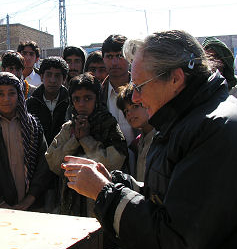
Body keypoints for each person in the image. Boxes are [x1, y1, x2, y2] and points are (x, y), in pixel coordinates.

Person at [63, 30, 237, 249]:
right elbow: (179, 197)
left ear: (175, 79)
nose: (135, 97)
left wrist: (103, 192)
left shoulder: (215, 129)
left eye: (140, 86)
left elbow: (174, 239)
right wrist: (115, 184)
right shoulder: (192, 118)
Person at [45, 73, 126, 216]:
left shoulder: (109, 125)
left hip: (100, 204)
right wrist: (74, 140)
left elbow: (114, 164)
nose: (81, 104)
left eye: (88, 98)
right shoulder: (69, 128)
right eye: (77, 99)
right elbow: (52, 162)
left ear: (97, 99)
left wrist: (86, 140)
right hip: (69, 206)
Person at [0, 72, 50, 210]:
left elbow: (43, 166)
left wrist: (29, 200)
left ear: (19, 96)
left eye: (11, 93)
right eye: (0, 94)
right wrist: (1, 204)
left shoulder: (33, 126)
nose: (6, 99)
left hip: (31, 207)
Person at [26, 56, 69, 212]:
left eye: (57, 75)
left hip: (64, 165)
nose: (52, 80)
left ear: (64, 79)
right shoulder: (30, 104)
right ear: (41, 76)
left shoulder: (72, 102)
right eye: (48, 75)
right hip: (37, 165)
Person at [101, 34, 136, 172]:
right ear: (103, 59)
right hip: (109, 167)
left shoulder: (145, 90)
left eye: (119, 56)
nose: (115, 62)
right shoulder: (97, 95)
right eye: (109, 57)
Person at [116, 84, 155, 183]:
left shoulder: (162, 138)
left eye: (135, 106)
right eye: (126, 111)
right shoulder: (137, 143)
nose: (129, 113)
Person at [202, 37, 237, 104]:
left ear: (225, 62)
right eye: (209, 57)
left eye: (217, 57)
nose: (213, 62)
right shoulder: (199, 93)